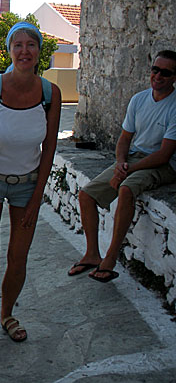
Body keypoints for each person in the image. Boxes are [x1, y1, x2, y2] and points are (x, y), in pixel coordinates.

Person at [0, 22, 61, 359]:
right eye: (17, 45)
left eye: (31, 45)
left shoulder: (50, 94)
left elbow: (49, 149)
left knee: (18, 257)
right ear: (9, 51)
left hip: (28, 184)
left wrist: (38, 198)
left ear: (39, 51)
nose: (24, 51)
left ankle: (7, 315)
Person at [68, 50, 176, 283]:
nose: (158, 76)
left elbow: (164, 154)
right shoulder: (139, 99)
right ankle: (92, 254)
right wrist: (120, 164)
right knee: (87, 195)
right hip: (134, 159)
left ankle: (111, 257)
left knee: (126, 189)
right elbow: (125, 138)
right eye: (155, 69)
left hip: (163, 165)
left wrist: (127, 171)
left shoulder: (174, 107)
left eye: (165, 73)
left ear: (174, 77)